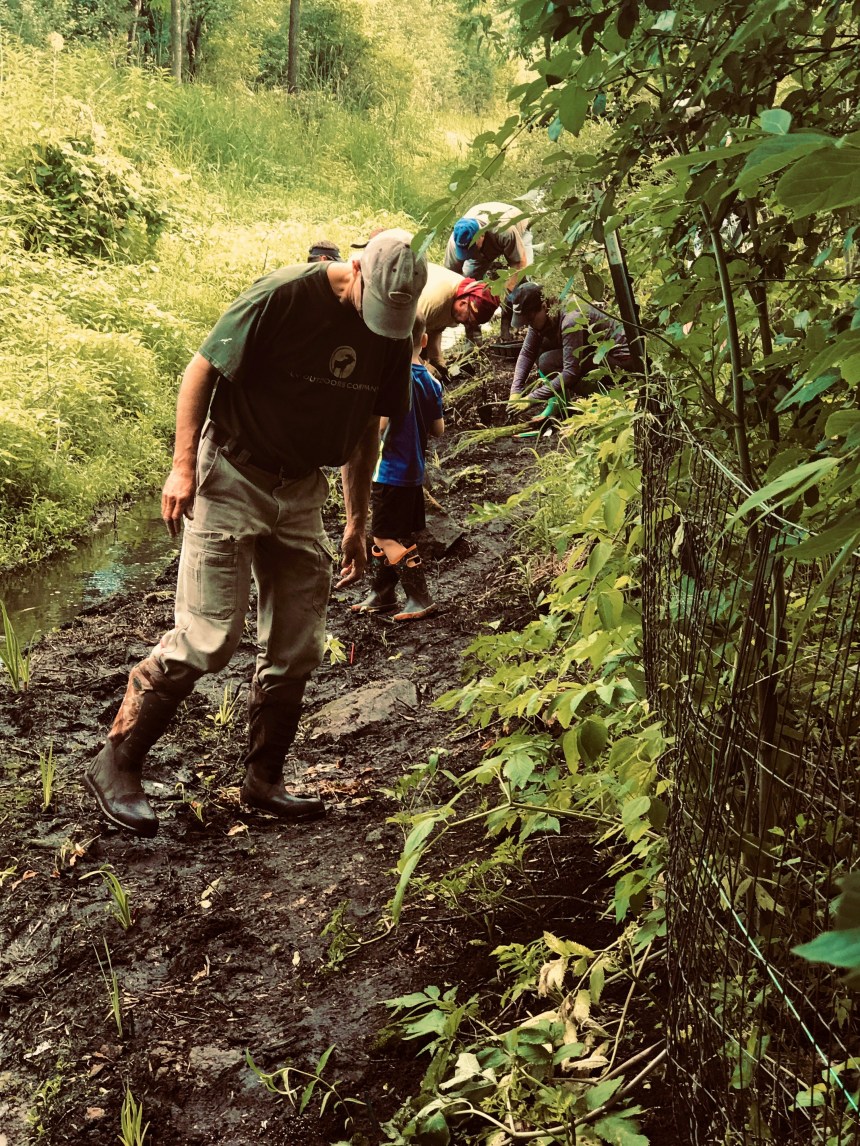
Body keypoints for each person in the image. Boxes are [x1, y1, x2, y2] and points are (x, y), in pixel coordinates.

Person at [84, 229, 428, 838]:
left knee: (299, 641)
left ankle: (264, 779)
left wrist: (356, 521)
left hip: (302, 489)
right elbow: (201, 370)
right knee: (209, 635)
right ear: (357, 269)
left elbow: (364, 430)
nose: (381, 324)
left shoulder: (393, 330)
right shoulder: (283, 295)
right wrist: (182, 467)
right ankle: (116, 762)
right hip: (232, 473)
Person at [352, 313, 444, 622]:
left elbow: (379, 427)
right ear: (424, 340)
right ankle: (383, 593)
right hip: (413, 471)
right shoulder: (431, 381)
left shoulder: (393, 380)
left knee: (382, 536)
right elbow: (438, 429)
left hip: (389, 470)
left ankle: (419, 597)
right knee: (395, 533)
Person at [507, 282, 632, 414]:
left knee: (547, 361)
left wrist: (531, 399)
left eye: (530, 320)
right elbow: (527, 352)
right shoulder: (546, 314)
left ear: (543, 306)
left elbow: (570, 373)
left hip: (622, 364)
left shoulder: (570, 319)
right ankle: (559, 403)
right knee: (541, 347)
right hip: (599, 355)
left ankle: (604, 400)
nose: (529, 325)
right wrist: (516, 391)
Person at [444, 202, 534, 339]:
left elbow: (519, 263)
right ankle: (473, 335)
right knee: (468, 280)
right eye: (466, 252)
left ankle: (514, 325)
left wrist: (506, 293)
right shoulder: (455, 243)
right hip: (486, 248)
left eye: (472, 249)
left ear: (482, 235)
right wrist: (467, 300)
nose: (470, 254)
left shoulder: (504, 229)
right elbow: (452, 278)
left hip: (518, 228)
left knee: (523, 282)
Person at [418, 263, 497, 373]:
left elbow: (436, 328)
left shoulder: (462, 294)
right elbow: (402, 338)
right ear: (462, 303)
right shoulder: (435, 302)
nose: (465, 324)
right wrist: (423, 365)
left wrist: (437, 359)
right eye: (468, 320)